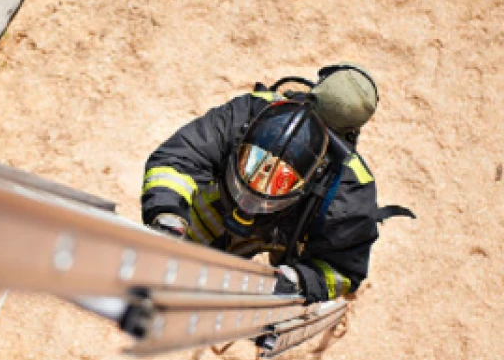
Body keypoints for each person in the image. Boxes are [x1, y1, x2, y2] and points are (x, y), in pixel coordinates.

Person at [141, 63, 402, 304]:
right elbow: (180, 157)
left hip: (281, 236)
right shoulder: (250, 111)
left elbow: (343, 269)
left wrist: (301, 279)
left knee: (287, 271)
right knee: (179, 246)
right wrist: (167, 213)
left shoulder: (350, 189)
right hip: (219, 204)